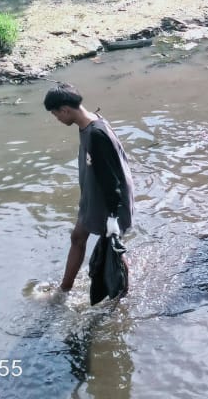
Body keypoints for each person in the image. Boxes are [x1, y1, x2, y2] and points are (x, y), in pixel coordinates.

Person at [43, 83, 136, 295]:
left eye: (57, 115)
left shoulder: (96, 134)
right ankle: (65, 288)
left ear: (65, 109)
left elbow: (111, 178)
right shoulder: (89, 122)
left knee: (113, 250)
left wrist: (113, 215)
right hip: (94, 195)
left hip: (109, 200)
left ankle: (122, 297)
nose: (58, 120)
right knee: (78, 237)